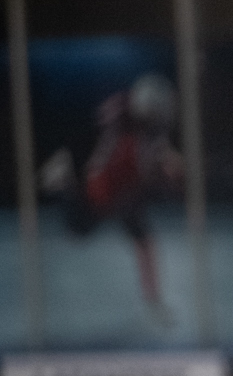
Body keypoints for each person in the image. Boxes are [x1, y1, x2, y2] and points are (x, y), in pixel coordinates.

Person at [39, 72, 184, 324]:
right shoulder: (120, 120)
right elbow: (110, 152)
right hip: (100, 192)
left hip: (126, 195)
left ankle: (154, 301)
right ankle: (63, 181)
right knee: (77, 232)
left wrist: (167, 164)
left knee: (145, 243)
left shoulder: (152, 128)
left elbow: (155, 158)